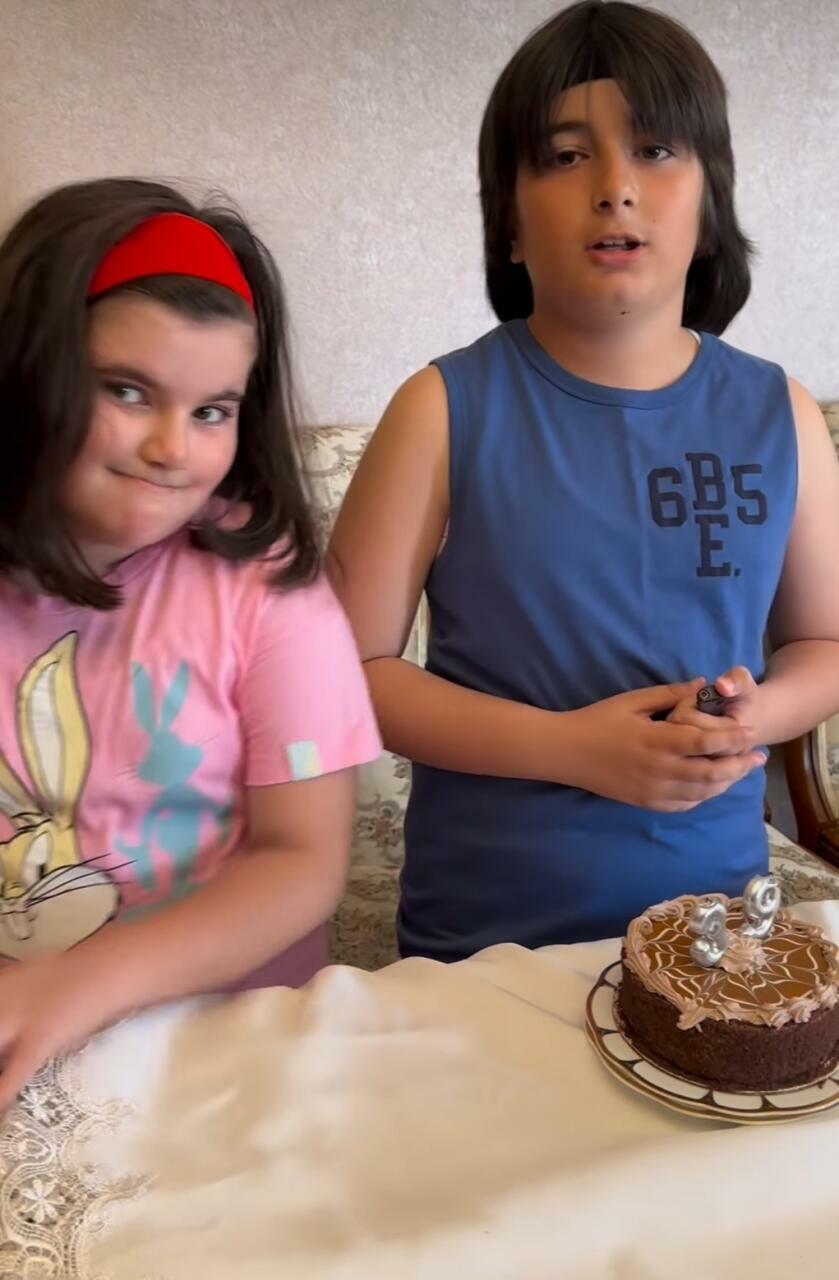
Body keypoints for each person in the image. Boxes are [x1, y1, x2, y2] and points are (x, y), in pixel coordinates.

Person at [329, 0, 839, 963]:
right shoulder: (439, 409)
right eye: (565, 156)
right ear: (508, 224)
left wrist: (754, 717)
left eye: (655, 150)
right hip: (484, 944)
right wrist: (572, 749)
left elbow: (823, 642)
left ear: (711, 204)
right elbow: (344, 677)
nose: (614, 188)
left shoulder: (783, 415)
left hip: (713, 935)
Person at [0, 177, 380, 1104]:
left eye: (212, 410)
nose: (174, 448)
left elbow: (303, 862)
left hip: (218, 1048)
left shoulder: (266, 590)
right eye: (127, 391)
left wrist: (73, 985)